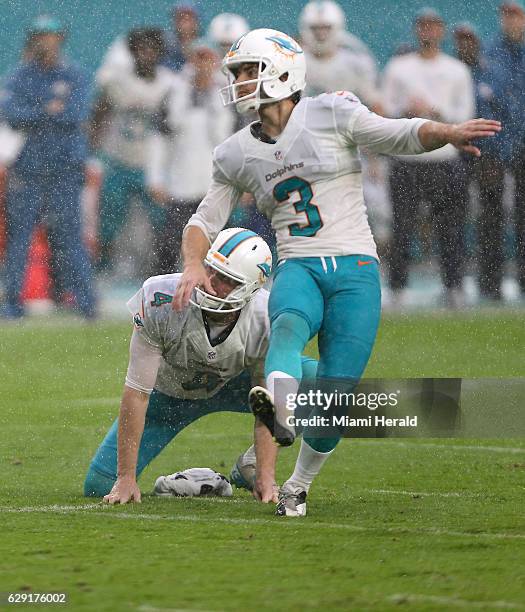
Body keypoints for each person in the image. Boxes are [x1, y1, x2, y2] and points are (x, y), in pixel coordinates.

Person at [172, 28, 501, 516]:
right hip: (300, 263)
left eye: (247, 70)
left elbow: (398, 134)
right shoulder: (236, 152)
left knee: (335, 394)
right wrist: (192, 263)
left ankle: (299, 485)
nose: (239, 82)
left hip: (356, 270)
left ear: (282, 72)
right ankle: (282, 413)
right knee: (286, 327)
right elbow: (204, 219)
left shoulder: (331, 111)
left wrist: (446, 131)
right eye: (237, 73)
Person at [84, 227, 318, 505]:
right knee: (100, 484)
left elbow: (266, 400)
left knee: (322, 385)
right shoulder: (160, 298)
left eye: (226, 280)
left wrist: (266, 475)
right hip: (170, 396)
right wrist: (125, 477)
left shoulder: (266, 317)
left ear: (250, 288)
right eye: (211, 271)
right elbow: (137, 393)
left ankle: (249, 465)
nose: (212, 283)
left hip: (235, 385)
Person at [0, 15, 95, 319]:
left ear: (60, 39)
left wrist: (36, 113)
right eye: (40, 36)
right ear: (33, 40)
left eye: (51, 36)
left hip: (64, 169)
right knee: (20, 237)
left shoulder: (73, 74)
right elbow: (9, 113)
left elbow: (75, 114)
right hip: (28, 169)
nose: (46, 41)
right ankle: (12, 302)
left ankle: (85, 301)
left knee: (70, 236)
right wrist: (46, 110)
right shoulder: (20, 75)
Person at [382, 8, 475, 308]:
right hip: (407, 159)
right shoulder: (399, 67)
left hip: (443, 160)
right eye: (423, 26)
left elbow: (465, 117)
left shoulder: (456, 70)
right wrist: (408, 111)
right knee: (402, 227)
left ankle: (453, 286)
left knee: (450, 228)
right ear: (416, 30)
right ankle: (397, 287)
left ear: (442, 31)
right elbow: (385, 111)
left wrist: (436, 114)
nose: (428, 32)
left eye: (433, 26)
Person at [90, 28, 175, 272]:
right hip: (119, 161)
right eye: (140, 48)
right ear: (132, 52)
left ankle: (160, 273)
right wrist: (93, 149)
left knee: (163, 223)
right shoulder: (117, 81)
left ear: (160, 52)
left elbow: (173, 128)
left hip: (153, 167)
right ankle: (102, 272)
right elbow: (99, 113)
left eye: (151, 48)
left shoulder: (169, 84)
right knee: (108, 223)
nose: (146, 54)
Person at [146, 39, 234, 274]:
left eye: (208, 59)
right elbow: (160, 138)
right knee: (170, 245)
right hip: (180, 184)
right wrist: (155, 178)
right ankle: (159, 293)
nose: (203, 65)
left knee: (223, 248)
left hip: (216, 186)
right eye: (198, 58)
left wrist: (244, 182)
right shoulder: (174, 93)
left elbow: (237, 140)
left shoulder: (228, 94)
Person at [453, 22, 507, 302]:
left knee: (491, 220)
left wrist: (497, 153)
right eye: (460, 41)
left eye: (469, 40)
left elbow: (504, 116)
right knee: (453, 218)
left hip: (488, 156)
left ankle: (492, 283)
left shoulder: (491, 72)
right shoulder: (451, 71)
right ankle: (456, 283)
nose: (465, 45)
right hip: (455, 156)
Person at [485, 1, 525, 297]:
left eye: (515, 15)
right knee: (492, 216)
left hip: (521, 143)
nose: (510, 20)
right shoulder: (491, 51)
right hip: (497, 146)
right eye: (506, 15)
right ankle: (491, 283)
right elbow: (488, 97)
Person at [299, 0, 381, 111]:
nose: (320, 34)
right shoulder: (296, 62)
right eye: (315, 29)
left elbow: (376, 106)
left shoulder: (356, 64)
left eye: (325, 28)